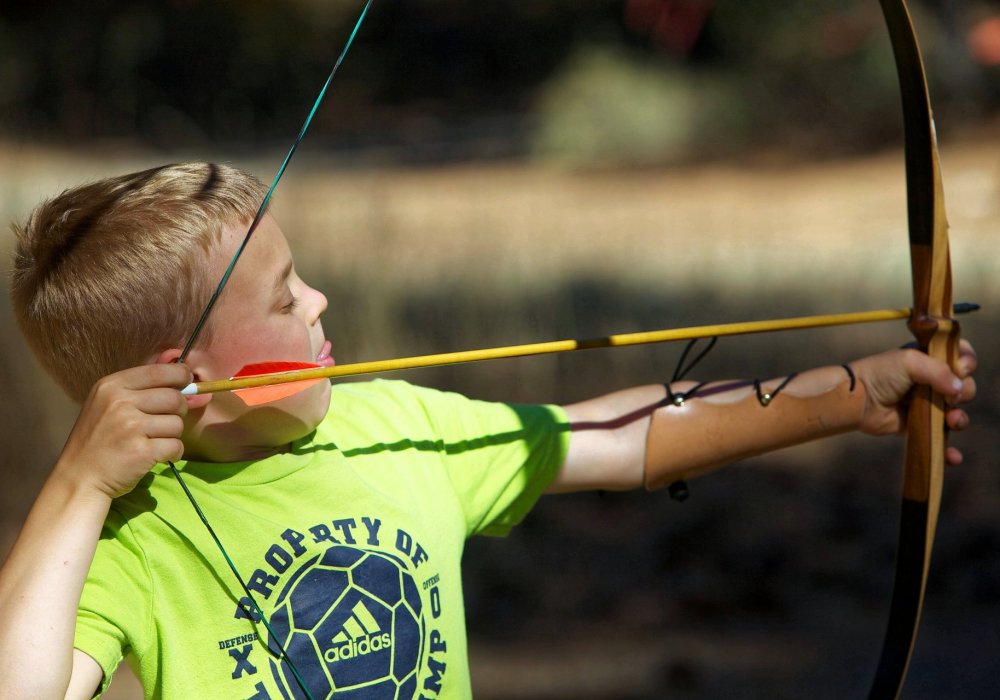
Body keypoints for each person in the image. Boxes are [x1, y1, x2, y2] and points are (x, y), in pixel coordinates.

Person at [0, 162, 976, 699]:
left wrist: (847, 391)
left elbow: (617, 435)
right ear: (188, 379)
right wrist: (79, 484)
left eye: (301, 277)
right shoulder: (128, 537)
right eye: (284, 296)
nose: (320, 298)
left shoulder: (395, 427)